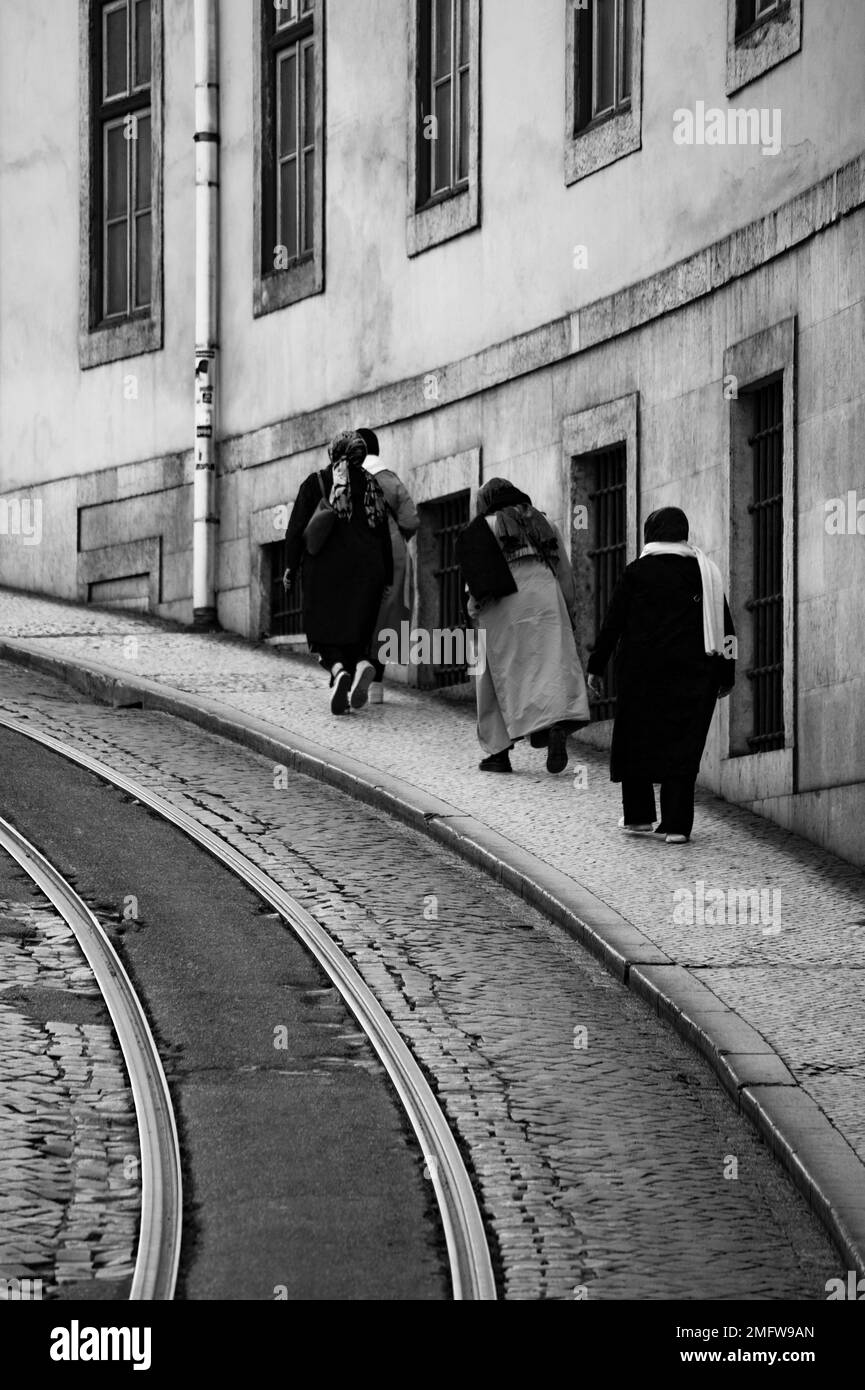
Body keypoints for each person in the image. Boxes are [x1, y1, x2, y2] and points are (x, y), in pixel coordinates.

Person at [585, 506, 736, 843]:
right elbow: (726, 628)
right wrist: (727, 673)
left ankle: (638, 817)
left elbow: (613, 623)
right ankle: (676, 826)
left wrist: (596, 667)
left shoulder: (637, 572)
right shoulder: (705, 573)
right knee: (682, 746)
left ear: (650, 534)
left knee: (636, 741)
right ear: (683, 533)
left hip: (642, 674)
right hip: (695, 675)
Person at [456, 477, 590, 774]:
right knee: (548, 668)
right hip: (547, 602)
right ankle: (553, 725)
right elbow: (565, 575)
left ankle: (498, 753)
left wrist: (472, 616)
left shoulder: (483, 527)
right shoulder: (543, 522)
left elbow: (474, 584)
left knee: (491, 676)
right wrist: (568, 612)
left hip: (501, 605)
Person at [283, 430, 393, 715]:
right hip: (368, 571)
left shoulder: (316, 482)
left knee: (324, 632)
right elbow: (384, 533)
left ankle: (338, 670)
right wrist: (388, 575)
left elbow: (296, 529)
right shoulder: (372, 485)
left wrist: (290, 567)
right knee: (356, 631)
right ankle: (360, 664)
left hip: (325, 571)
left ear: (332, 453)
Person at [357, 427, 420, 705]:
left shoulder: (349, 481)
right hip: (393, 552)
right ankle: (377, 685)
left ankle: (353, 667)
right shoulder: (391, 480)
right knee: (387, 614)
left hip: (359, 550)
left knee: (357, 610)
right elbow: (411, 520)